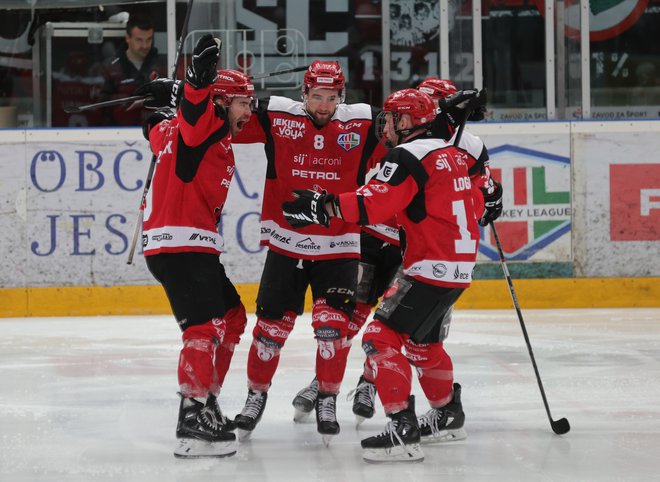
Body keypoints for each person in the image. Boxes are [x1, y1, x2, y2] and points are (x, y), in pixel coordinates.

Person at [291, 78, 503, 432]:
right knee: (395, 332)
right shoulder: (438, 145)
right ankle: (329, 381)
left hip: (418, 256)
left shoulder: (452, 147)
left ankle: (383, 399)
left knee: (388, 334)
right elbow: (477, 200)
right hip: (392, 245)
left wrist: (323, 205)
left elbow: (376, 200)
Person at [230, 60, 387, 445]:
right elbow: (226, 119)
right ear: (304, 94)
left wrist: (448, 117)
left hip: (340, 246)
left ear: (342, 96)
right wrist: (194, 95)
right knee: (268, 332)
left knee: (332, 332)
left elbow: (411, 132)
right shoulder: (276, 115)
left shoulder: (364, 123)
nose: (323, 105)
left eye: (331, 97)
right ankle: (255, 397)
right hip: (287, 244)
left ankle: (327, 400)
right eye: (317, 96)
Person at [138, 34, 255, 458]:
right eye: (243, 102)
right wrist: (194, 80)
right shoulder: (202, 124)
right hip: (182, 245)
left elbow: (152, 125)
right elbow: (194, 106)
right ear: (219, 103)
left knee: (232, 317)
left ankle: (206, 399)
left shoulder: (174, 128)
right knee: (203, 329)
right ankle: (192, 417)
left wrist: (166, 99)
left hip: (185, 245)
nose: (250, 110)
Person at [100, 12, 167, 126]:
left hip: (156, 132)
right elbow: (101, 109)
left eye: (149, 39)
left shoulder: (163, 65)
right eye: (139, 40)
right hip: (118, 134)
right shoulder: (110, 67)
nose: (145, 45)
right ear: (128, 38)